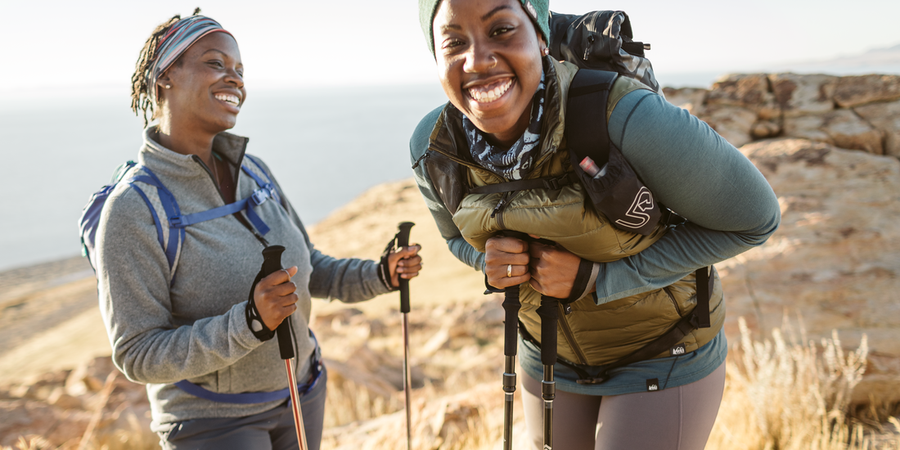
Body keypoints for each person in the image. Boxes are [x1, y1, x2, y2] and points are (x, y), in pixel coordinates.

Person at [410, 0, 780, 448]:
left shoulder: (621, 116)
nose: (477, 59)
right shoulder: (435, 147)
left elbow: (754, 220)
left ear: (540, 36)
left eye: (502, 29)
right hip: (544, 356)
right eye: (453, 42)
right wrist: (486, 259)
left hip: (662, 353)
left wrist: (598, 279)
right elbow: (454, 237)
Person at [94, 10, 422, 450]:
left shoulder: (254, 172)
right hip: (213, 424)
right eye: (215, 63)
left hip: (303, 393)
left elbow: (309, 269)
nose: (235, 80)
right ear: (164, 78)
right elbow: (138, 354)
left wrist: (379, 275)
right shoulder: (133, 209)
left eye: (240, 71)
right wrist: (249, 322)